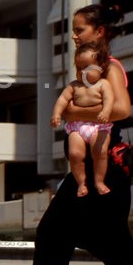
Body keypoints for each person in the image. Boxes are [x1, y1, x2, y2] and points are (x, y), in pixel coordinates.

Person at [0, 3, 133, 265]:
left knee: (108, 238)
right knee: (56, 230)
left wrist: (74, 108)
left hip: (106, 166)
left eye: (80, 29)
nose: (73, 35)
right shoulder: (85, 71)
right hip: (88, 168)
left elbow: (123, 108)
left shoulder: (109, 68)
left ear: (99, 32)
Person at [51, 41, 115, 197]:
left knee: (100, 152)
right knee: (74, 154)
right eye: (79, 68)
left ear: (101, 67)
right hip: (77, 127)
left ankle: (99, 181)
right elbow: (62, 100)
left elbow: (109, 100)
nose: (82, 72)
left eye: (87, 68)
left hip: (98, 126)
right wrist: (56, 114)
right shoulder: (74, 86)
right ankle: (81, 182)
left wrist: (106, 112)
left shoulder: (103, 84)